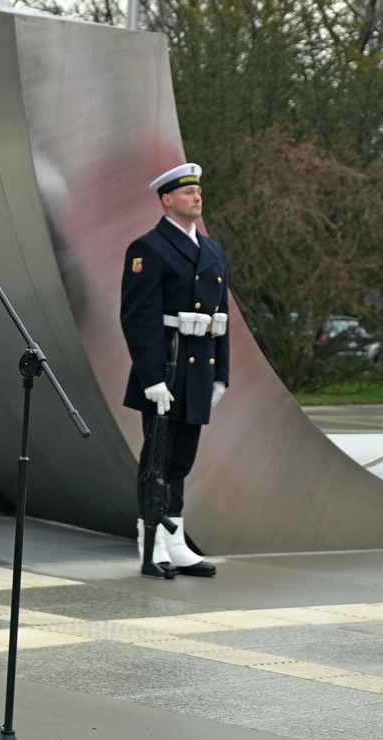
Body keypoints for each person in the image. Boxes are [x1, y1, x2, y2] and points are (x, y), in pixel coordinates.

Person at [120, 162, 229, 578]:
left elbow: (222, 316)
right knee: (158, 458)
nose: (197, 197)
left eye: (199, 190)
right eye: (188, 192)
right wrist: (150, 377)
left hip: (199, 367)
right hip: (166, 366)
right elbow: (138, 317)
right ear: (167, 200)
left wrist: (223, 373)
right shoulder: (148, 248)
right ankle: (152, 540)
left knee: (181, 459)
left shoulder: (213, 250)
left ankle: (176, 539)